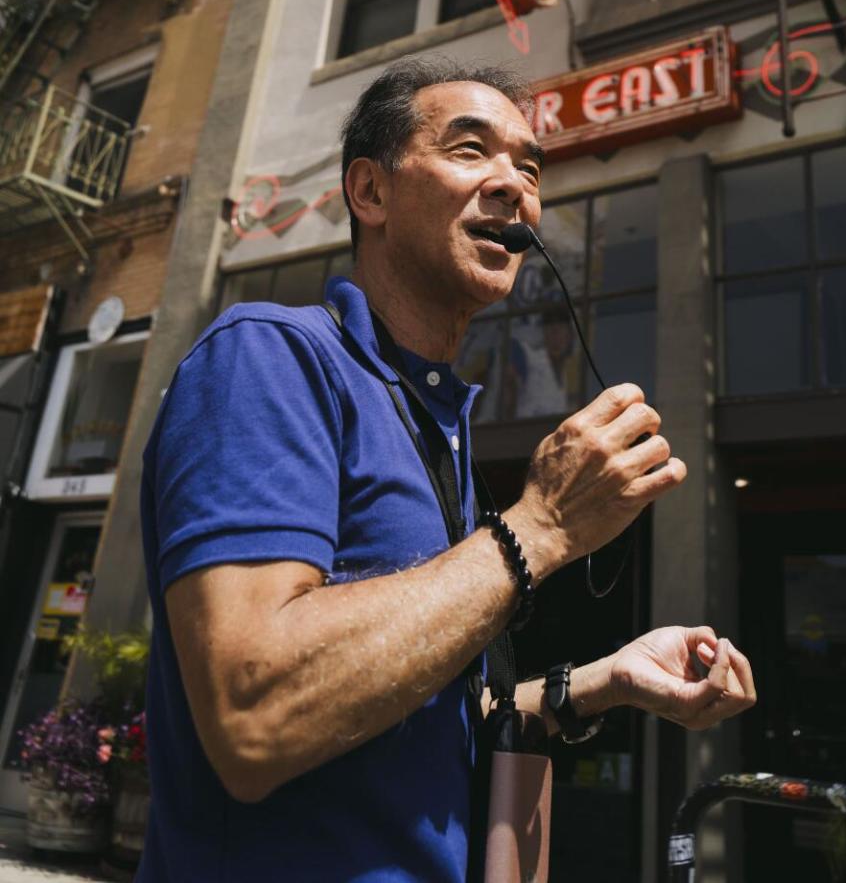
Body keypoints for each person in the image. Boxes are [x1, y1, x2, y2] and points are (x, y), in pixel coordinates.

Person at [138, 57, 755, 883]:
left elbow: (420, 712)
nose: (514, 185)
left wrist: (599, 683)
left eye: (529, 166)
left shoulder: (439, 428)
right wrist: (542, 528)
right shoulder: (268, 355)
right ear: (371, 192)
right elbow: (257, 713)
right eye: (471, 150)